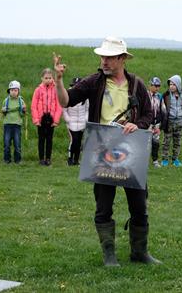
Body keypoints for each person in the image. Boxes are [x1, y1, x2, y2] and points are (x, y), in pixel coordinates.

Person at [53, 36, 161, 266]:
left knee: (139, 206)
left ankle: (139, 253)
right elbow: (66, 101)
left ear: (122, 59)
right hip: (101, 152)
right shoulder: (94, 82)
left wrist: (138, 125)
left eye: (110, 57)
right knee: (103, 206)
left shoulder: (137, 84)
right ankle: (109, 255)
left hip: (132, 152)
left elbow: (149, 115)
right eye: (103, 57)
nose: (104, 61)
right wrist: (59, 80)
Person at [31, 68, 62, 166]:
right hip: (41, 119)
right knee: (41, 140)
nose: (48, 80)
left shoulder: (56, 89)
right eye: (46, 78)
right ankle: (41, 159)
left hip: (51, 119)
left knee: (49, 140)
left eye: (50, 78)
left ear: (52, 78)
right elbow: (34, 106)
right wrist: (36, 119)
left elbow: (59, 105)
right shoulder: (38, 90)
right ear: (42, 78)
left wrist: (56, 120)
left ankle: (48, 158)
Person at [160, 75, 182, 167]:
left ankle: (175, 159)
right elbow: (162, 108)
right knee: (166, 141)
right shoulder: (166, 95)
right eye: (170, 84)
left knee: (178, 142)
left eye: (174, 84)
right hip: (169, 121)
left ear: (178, 85)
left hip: (180, 121)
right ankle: (164, 159)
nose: (171, 86)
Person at [62, 77, 88, 166]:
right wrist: (68, 119)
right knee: (74, 140)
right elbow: (64, 109)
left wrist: (85, 119)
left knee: (79, 141)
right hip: (71, 122)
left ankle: (76, 160)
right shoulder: (68, 94)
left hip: (82, 122)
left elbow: (87, 109)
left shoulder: (85, 96)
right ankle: (70, 158)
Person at [1, 80, 26, 164]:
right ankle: (7, 159)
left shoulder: (21, 101)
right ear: (9, 91)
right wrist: (3, 110)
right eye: (11, 90)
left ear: (18, 91)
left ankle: (17, 160)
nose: (13, 92)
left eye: (15, 90)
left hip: (17, 124)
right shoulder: (6, 101)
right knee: (7, 143)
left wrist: (24, 110)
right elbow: (3, 113)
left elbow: (22, 115)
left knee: (17, 143)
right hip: (7, 124)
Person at [147, 77, 162, 168]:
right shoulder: (146, 95)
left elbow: (162, 110)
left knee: (156, 143)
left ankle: (155, 161)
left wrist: (159, 124)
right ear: (150, 85)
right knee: (146, 143)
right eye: (155, 86)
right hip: (147, 123)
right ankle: (144, 160)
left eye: (158, 86)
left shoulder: (159, 96)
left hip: (156, 123)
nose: (157, 88)